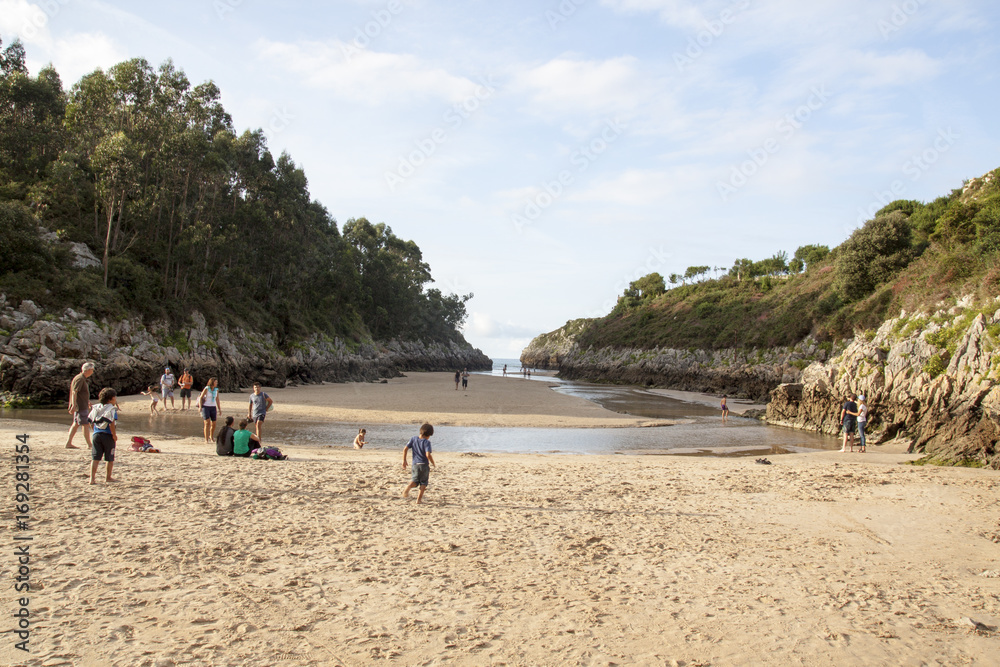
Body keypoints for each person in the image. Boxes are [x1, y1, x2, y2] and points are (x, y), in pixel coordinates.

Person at [88, 387, 119, 484]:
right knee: (109, 458)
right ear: (111, 399)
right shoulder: (112, 409)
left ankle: (92, 479)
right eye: (115, 397)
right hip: (107, 435)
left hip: (96, 435)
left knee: (95, 457)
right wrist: (114, 435)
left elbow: (90, 420)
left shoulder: (96, 407)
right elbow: (111, 423)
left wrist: (94, 430)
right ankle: (108, 477)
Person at [402, 423, 436, 504]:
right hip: (424, 464)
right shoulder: (427, 442)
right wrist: (432, 462)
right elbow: (428, 454)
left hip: (415, 464)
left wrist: (404, 460)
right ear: (429, 435)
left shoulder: (413, 439)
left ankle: (408, 487)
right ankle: (419, 499)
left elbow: (405, 449)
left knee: (415, 480)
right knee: (423, 482)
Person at [66, 362, 95, 450]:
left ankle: (68, 443)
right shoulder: (80, 378)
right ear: (88, 370)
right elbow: (75, 392)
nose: (93, 372)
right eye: (92, 370)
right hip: (81, 406)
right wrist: (73, 405)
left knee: (76, 424)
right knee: (85, 424)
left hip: (82, 404)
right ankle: (89, 444)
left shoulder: (81, 378)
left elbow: (81, 393)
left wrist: (88, 401)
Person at [198, 377, 222, 444]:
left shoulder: (216, 390)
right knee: (206, 422)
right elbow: (201, 397)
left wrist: (219, 409)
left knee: (213, 423)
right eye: (215, 382)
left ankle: (211, 436)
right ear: (212, 382)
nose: (216, 383)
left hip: (213, 407)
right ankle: (206, 439)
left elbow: (217, 399)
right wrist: (200, 407)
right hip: (206, 407)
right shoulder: (207, 389)